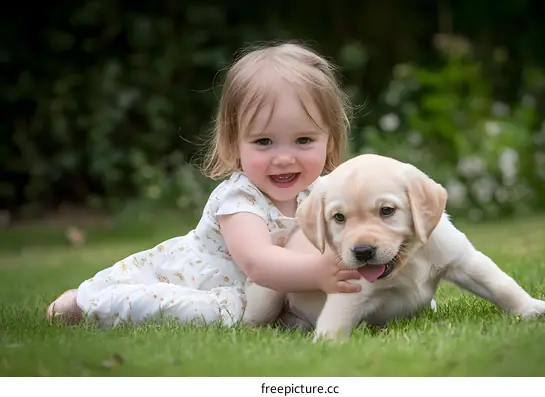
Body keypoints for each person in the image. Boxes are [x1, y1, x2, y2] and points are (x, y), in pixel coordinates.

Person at [46, 41, 362, 328]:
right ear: (233, 142)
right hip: (202, 284)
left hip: (266, 294)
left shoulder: (323, 192)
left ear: (330, 138)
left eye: (303, 140)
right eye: (264, 141)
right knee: (201, 313)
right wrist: (317, 273)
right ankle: (83, 304)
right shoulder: (240, 198)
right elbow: (258, 262)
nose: (283, 158)